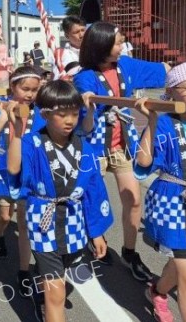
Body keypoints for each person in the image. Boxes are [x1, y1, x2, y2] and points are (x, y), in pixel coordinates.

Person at [9, 80, 113, 322]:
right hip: (43, 222)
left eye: (74, 114)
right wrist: (16, 130)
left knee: (61, 282)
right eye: (62, 114)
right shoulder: (32, 143)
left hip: (73, 222)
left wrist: (96, 232)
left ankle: (41, 287)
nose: (69, 120)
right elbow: (14, 168)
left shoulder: (84, 148)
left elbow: (93, 191)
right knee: (56, 295)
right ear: (44, 114)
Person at [74, 21, 170, 279]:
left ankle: (129, 251)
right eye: (118, 43)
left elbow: (164, 71)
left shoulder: (125, 66)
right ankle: (96, 238)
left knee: (134, 199)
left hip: (121, 145)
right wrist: (92, 107)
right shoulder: (84, 78)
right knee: (89, 197)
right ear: (102, 46)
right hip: (93, 146)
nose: (122, 46)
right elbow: (85, 120)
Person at [135, 62, 186, 322]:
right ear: (172, 90)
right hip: (173, 204)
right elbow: (144, 163)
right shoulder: (165, 124)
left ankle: (157, 291)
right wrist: (152, 120)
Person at [0, 66, 46, 298]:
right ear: (13, 86)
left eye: (35, 90)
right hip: (4, 169)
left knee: (23, 222)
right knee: (5, 216)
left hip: (28, 174)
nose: (30, 94)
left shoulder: (41, 113)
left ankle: (24, 270)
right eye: (25, 89)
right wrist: (4, 117)